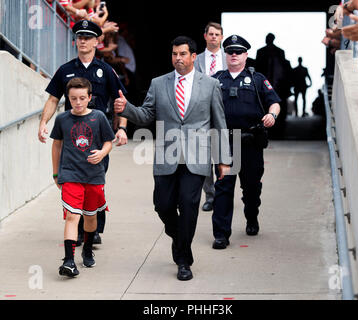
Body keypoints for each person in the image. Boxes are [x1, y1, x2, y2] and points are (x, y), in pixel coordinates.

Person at [114, 36, 231, 281]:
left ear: (193, 57)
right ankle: (179, 239)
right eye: (174, 54)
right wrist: (126, 107)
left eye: (182, 54)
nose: (177, 58)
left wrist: (223, 160)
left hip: (197, 156)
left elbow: (219, 124)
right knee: (163, 205)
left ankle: (183, 260)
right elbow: (146, 115)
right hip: (167, 155)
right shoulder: (159, 83)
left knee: (189, 205)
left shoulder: (209, 85)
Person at [38, 20, 128, 246]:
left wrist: (122, 128)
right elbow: (52, 99)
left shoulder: (106, 70)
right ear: (75, 40)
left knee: (95, 182)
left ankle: (94, 228)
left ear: (97, 42)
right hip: (72, 135)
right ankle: (77, 229)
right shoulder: (66, 70)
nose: (83, 41)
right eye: (80, 37)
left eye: (88, 37)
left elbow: (121, 100)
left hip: (98, 134)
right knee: (73, 180)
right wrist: (42, 123)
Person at [211, 35, 281, 249]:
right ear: (225, 54)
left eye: (238, 51)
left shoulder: (257, 78)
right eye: (230, 51)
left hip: (250, 143)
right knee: (223, 188)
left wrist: (272, 116)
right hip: (224, 142)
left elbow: (274, 102)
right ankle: (221, 235)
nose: (234, 54)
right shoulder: (215, 80)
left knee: (251, 188)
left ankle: (252, 216)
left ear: (246, 55)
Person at [51, 77, 115, 277]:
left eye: (81, 98)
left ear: (89, 97)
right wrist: (56, 173)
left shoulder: (98, 117)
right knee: (72, 216)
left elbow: (108, 142)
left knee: (90, 216)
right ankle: (69, 261)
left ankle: (87, 249)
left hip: (94, 176)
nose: (77, 103)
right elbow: (56, 146)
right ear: (68, 99)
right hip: (70, 175)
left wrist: (102, 153)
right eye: (73, 99)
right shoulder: (62, 119)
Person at [194, 22, 227, 212]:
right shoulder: (196, 59)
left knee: (223, 153)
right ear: (205, 36)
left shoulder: (228, 58)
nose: (214, 37)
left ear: (221, 37)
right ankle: (210, 195)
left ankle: (223, 193)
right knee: (204, 156)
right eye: (211, 34)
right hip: (202, 113)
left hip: (223, 111)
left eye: (217, 34)